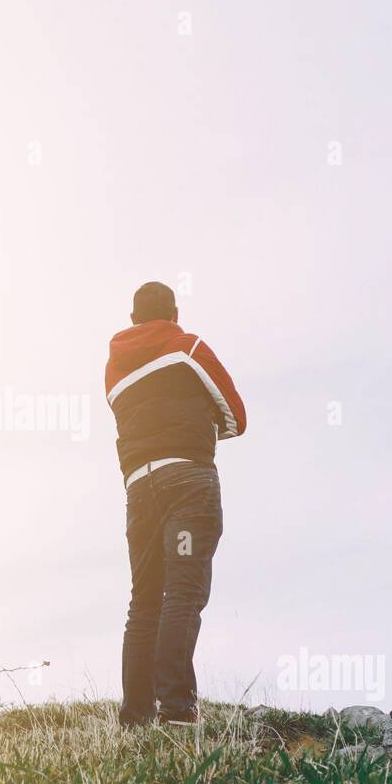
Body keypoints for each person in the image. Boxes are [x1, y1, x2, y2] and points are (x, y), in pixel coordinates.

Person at [104, 282, 246, 726]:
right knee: (182, 593)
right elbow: (236, 417)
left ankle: (136, 716)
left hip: (138, 489)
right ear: (175, 312)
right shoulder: (187, 346)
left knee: (143, 601)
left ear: (132, 319)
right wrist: (199, 425)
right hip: (186, 482)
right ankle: (178, 710)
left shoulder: (113, 368)